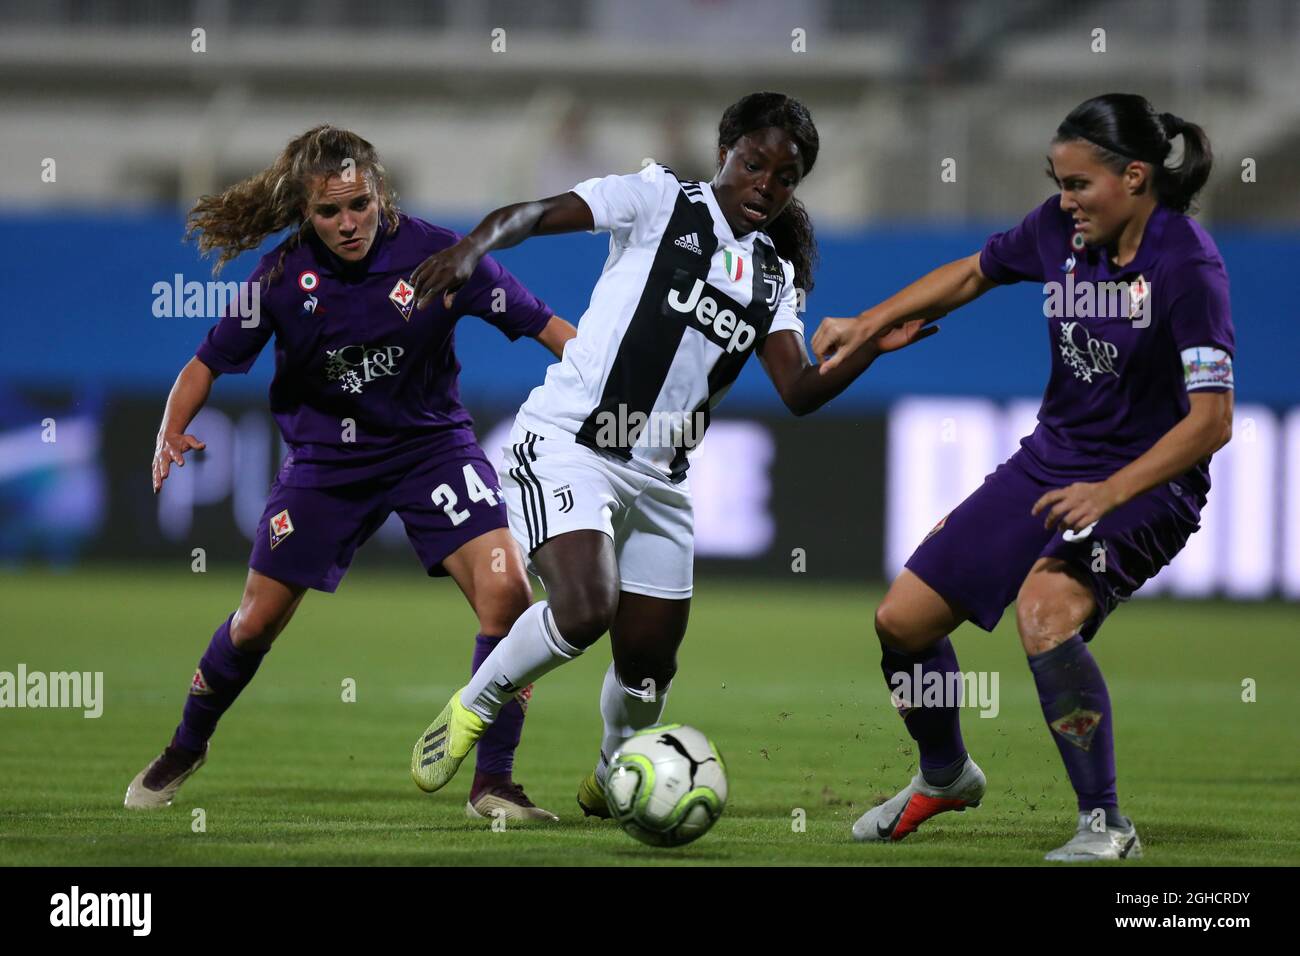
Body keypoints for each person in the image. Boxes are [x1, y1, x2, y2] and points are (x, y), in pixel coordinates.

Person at [403, 92, 935, 814]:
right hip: (571, 445)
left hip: (661, 482)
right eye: (754, 164)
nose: (765, 186)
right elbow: (531, 213)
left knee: (648, 667)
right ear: (725, 153)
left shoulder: (774, 278)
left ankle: (609, 776)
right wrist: (471, 248)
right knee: (586, 607)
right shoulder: (657, 199)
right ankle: (475, 702)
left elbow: (800, 390)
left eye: (785, 178)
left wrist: (873, 344)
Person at [813, 93, 1234, 861]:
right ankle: (944, 775)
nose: (1064, 200)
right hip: (1051, 462)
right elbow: (975, 272)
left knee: (1044, 611)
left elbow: (1212, 422)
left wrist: (1111, 494)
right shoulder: (1058, 233)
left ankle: (1106, 826)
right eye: (1058, 181)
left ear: (1136, 177)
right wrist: (868, 324)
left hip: (1147, 486)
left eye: (1079, 185)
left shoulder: (1189, 266)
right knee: (900, 623)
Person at [125, 126, 577, 822]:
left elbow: (549, 328)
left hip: (433, 450)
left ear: (380, 191)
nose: (347, 224)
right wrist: (170, 427)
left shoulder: (443, 256)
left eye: (358, 205)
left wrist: (615, 391)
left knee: (508, 591)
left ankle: (494, 784)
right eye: (328, 212)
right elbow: (205, 363)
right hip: (326, 465)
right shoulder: (280, 278)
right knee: (254, 625)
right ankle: (186, 747)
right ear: (306, 212)